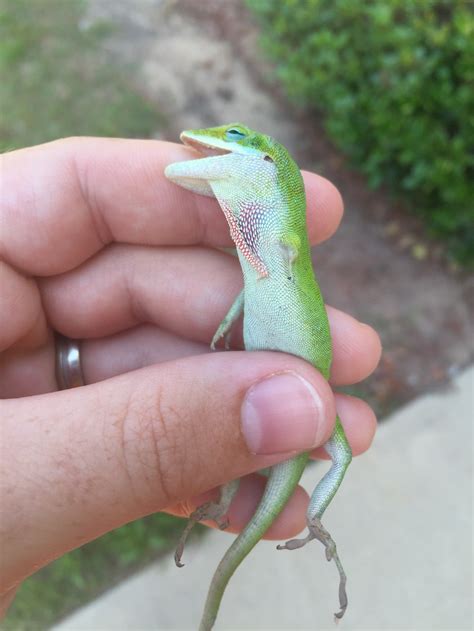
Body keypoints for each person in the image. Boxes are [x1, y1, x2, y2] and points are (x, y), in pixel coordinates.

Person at [0, 137, 381, 614]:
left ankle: (315, 519)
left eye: (236, 138)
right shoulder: (267, 242)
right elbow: (256, 279)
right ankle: (224, 504)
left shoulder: (285, 236)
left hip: (301, 380)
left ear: (268, 162)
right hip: (289, 371)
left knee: (337, 450)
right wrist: (228, 318)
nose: (215, 141)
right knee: (273, 445)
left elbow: (287, 250)